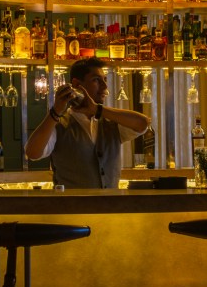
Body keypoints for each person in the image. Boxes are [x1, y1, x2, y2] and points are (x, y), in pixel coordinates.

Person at [25, 57, 149, 189]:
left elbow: (143, 123)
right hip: (72, 202)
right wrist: (55, 112)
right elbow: (33, 153)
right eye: (96, 80)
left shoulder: (112, 122)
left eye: (105, 80)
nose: (105, 87)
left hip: (111, 202)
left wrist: (97, 109)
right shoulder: (59, 124)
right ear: (77, 84)